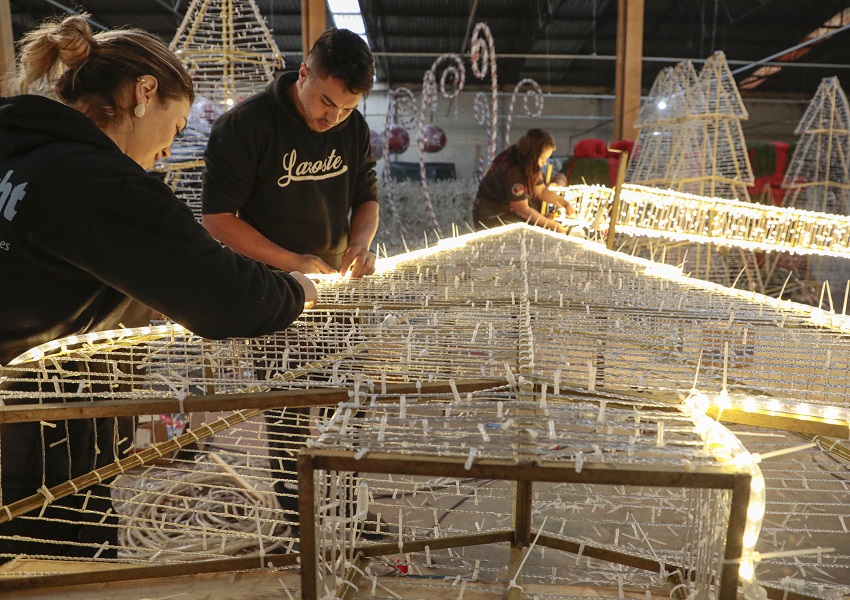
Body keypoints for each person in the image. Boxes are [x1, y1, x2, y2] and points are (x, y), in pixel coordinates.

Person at [0, 14, 317, 561]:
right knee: (51, 566)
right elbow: (225, 297)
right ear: (143, 93)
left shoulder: (16, 142)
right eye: (175, 127)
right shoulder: (99, 183)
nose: (170, 150)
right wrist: (297, 290)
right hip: (33, 437)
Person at [201, 27, 379, 279]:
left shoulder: (354, 127)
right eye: (327, 102)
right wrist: (290, 261)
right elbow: (216, 218)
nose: (334, 118)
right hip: (265, 282)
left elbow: (367, 198)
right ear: (304, 74)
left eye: (347, 108)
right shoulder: (245, 125)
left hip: (335, 280)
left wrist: (360, 244)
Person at [472, 128, 578, 234]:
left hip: (506, 211)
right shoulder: (513, 170)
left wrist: (564, 204)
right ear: (534, 154)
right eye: (543, 158)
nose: (545, 163)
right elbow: (523, 210)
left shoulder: (528, 163)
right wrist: (553, 226)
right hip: (491, 217)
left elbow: (541, 191)